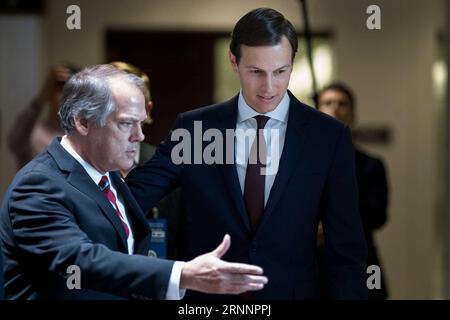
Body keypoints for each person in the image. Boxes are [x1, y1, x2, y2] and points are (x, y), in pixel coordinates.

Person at [126, 8, 367, 300]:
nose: (268, 88)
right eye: (256, 72)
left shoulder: (327, 136)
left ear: (292, 62)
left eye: (281, 71)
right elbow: (134, 195)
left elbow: (346, 247)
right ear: (234, 61)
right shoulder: (196, 129)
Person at [0, 64, 268, 300]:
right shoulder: (37, 184)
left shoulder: (108, 173)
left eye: (141, 123)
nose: (139, 136)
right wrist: (181, 274)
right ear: (83, 122)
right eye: (127, 124)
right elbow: (79, 261)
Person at [317, 82, 389, 300]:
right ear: (317, 112)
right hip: (312, 263)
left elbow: (377, 215)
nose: (335, 108)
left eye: (342, 104)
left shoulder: (371, 165)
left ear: (353, 114)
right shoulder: (300, 164)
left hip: (360, 262)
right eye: (328, 103)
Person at [8, 62, 79, 169]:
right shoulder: (33, 132)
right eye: (60, 90)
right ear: (50, 93)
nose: (65, 98)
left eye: (69, 92)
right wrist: (42, 97)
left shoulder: (82, 137)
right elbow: (14, 144)